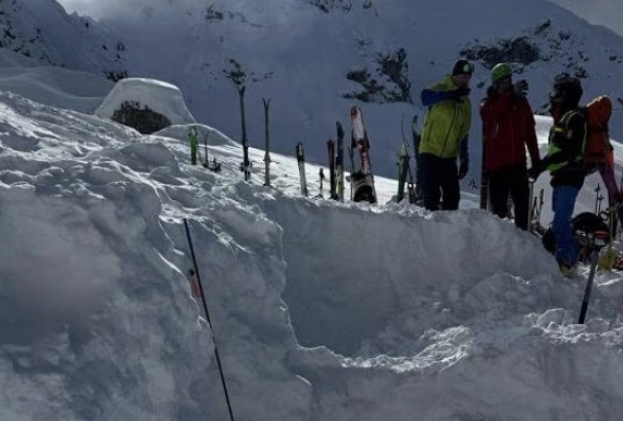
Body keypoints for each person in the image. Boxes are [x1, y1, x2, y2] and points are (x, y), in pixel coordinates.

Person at [529, 74, 587, 276]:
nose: (552, 97)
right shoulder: (563, 119)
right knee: (561, 220)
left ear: (565, 95)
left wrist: (542, 165)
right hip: (562, 177)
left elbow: (568, 152)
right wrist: (542, 166)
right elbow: (558, 152)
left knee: (561, 222)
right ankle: (563, 256)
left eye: (556, 93)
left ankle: (567, 262)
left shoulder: (574, 118)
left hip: (570, 177)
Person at [480, 63, 540, 230]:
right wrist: (509, 96)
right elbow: (491, 119)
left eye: (509, 82)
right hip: (497, 168)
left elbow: (529, 132)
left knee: (522, 208)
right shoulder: (487, 104)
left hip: (517, 165)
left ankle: (522, 243)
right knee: (498, 211)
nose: (507, 86)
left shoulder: (521, 102)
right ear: (496, 84)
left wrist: (536, 160)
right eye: (504, 83)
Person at [419, 59, 473, 211]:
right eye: (463, 76)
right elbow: (425, 98)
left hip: (449, 157)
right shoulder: (440, 88)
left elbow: (464, 133)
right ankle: (429, 231)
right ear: (455, 75)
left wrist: (464, 160)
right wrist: (449, 94)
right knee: (431, 196)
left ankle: (447, 233)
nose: (466, 80)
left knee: (452, 198)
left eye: (468, 78)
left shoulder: (465, 103)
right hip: (429, 151)